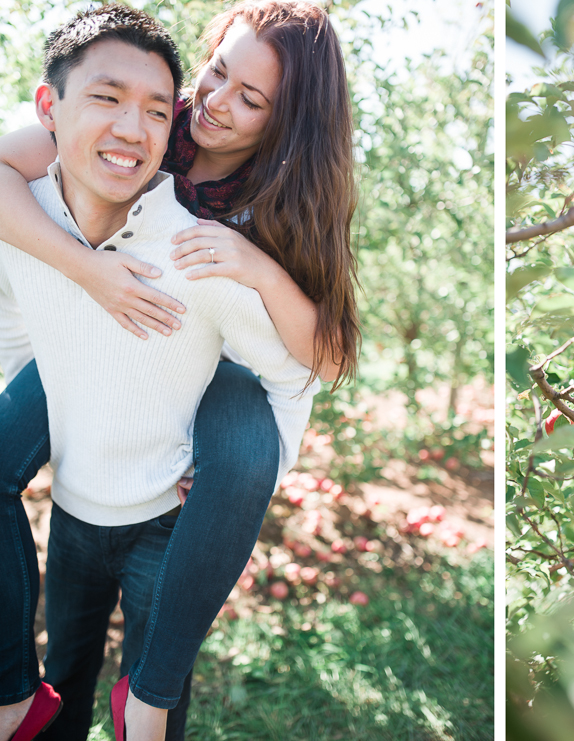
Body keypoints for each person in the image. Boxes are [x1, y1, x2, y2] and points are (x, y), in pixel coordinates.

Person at [0, 3, 360, 741]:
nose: (216, 105)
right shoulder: (146, 126)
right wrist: (90, 272)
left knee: (242, 432)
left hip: (212, 371)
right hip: (102, 334)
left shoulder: (283, 198)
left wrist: (258, 265)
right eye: (217, 71)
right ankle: (18, 694)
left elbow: (327, 355)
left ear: (287, 121)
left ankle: (152, 699)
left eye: (250, 99)